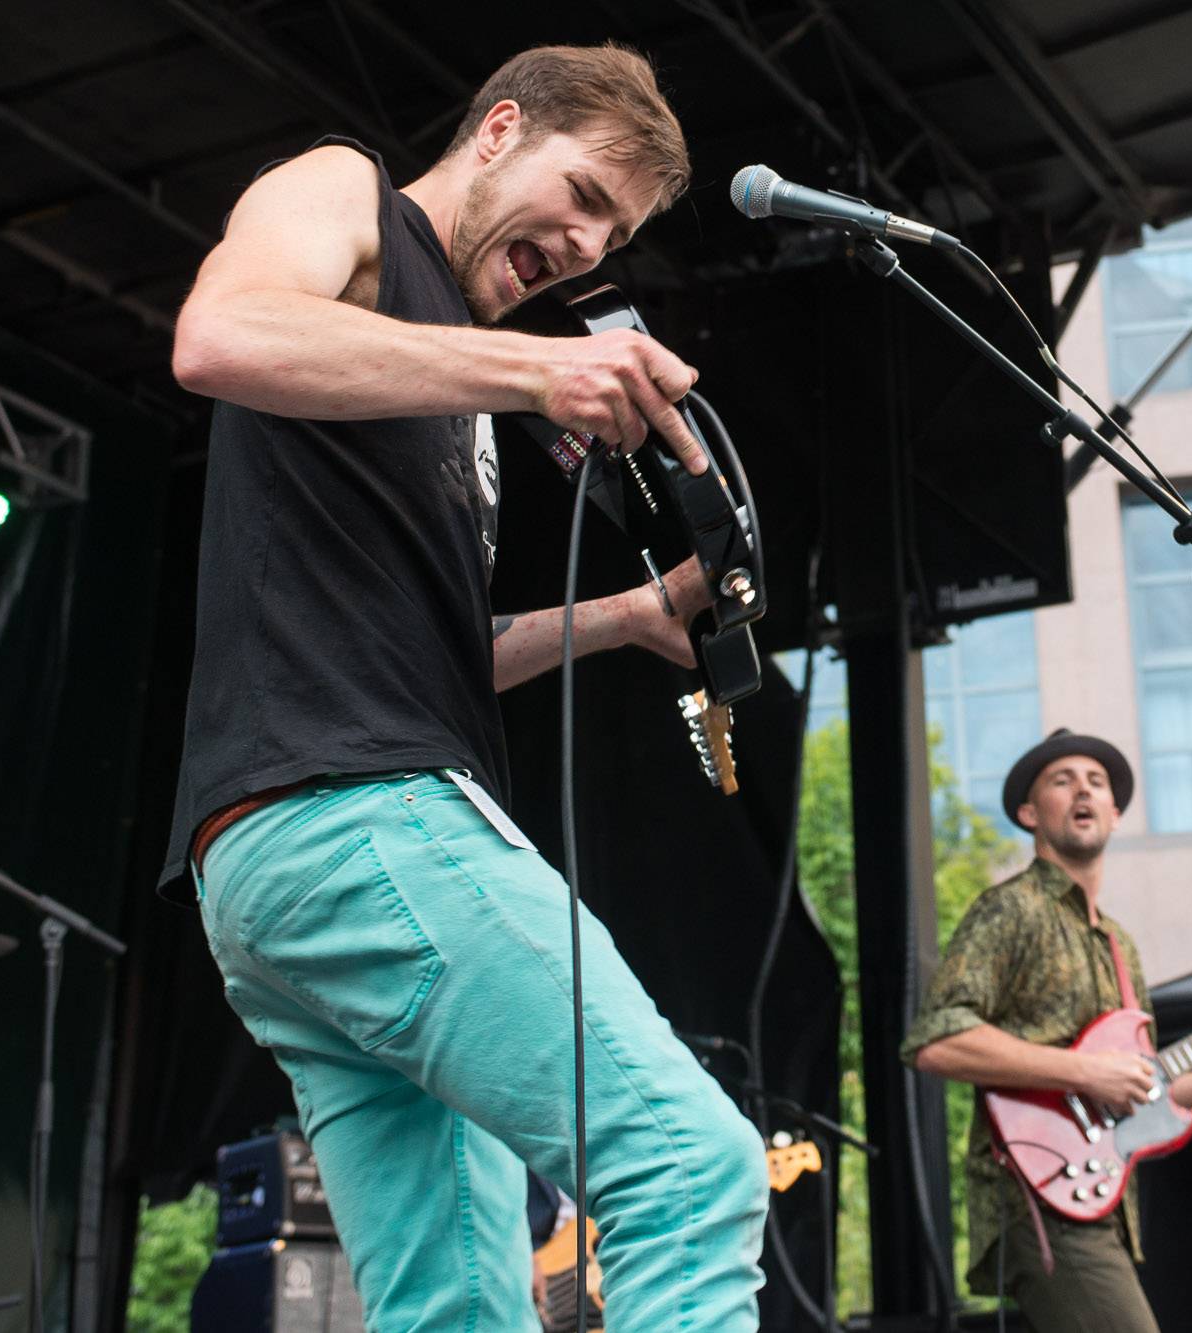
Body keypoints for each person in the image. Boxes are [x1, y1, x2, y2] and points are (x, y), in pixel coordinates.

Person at [162, 43, 766, 1332]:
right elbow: (219, 331)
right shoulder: (347, 194)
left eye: (619, 234)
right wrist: (539, 372)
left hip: (288, 858)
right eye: (586, 195)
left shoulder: (444, 384)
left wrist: (634, 615)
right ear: (498, 131)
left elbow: (425, 650)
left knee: (459, 1302)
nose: (592, 247)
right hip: (356, 818)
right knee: (692, 1166)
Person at [902, 729, 1192, 1333]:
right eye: (1063, 780)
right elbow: (936, 1039)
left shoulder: (1121, 946)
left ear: (1115, 813)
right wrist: (1083, 1069)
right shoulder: (1011, 908)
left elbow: (1143, 1093)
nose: (1083, 789)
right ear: (1030, 814)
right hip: (1035, 1193)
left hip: (1102, 1200)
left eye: (1097, 783)